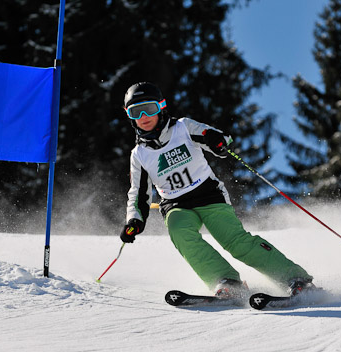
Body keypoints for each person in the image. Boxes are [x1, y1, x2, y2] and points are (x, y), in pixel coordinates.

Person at [120, 82, 314, 298]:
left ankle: (295, 279)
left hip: (208, 194)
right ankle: (227, 281)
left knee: (234, 241)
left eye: (150, 108)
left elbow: (216, 135)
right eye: (136, 111)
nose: (144, 116)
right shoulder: (139, 155)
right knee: (179, 232)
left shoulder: (183, 128)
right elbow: (138, 193)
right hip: (175, 204)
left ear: (161, 108)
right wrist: (134, 220)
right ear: (130, 117)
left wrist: (217, 141)